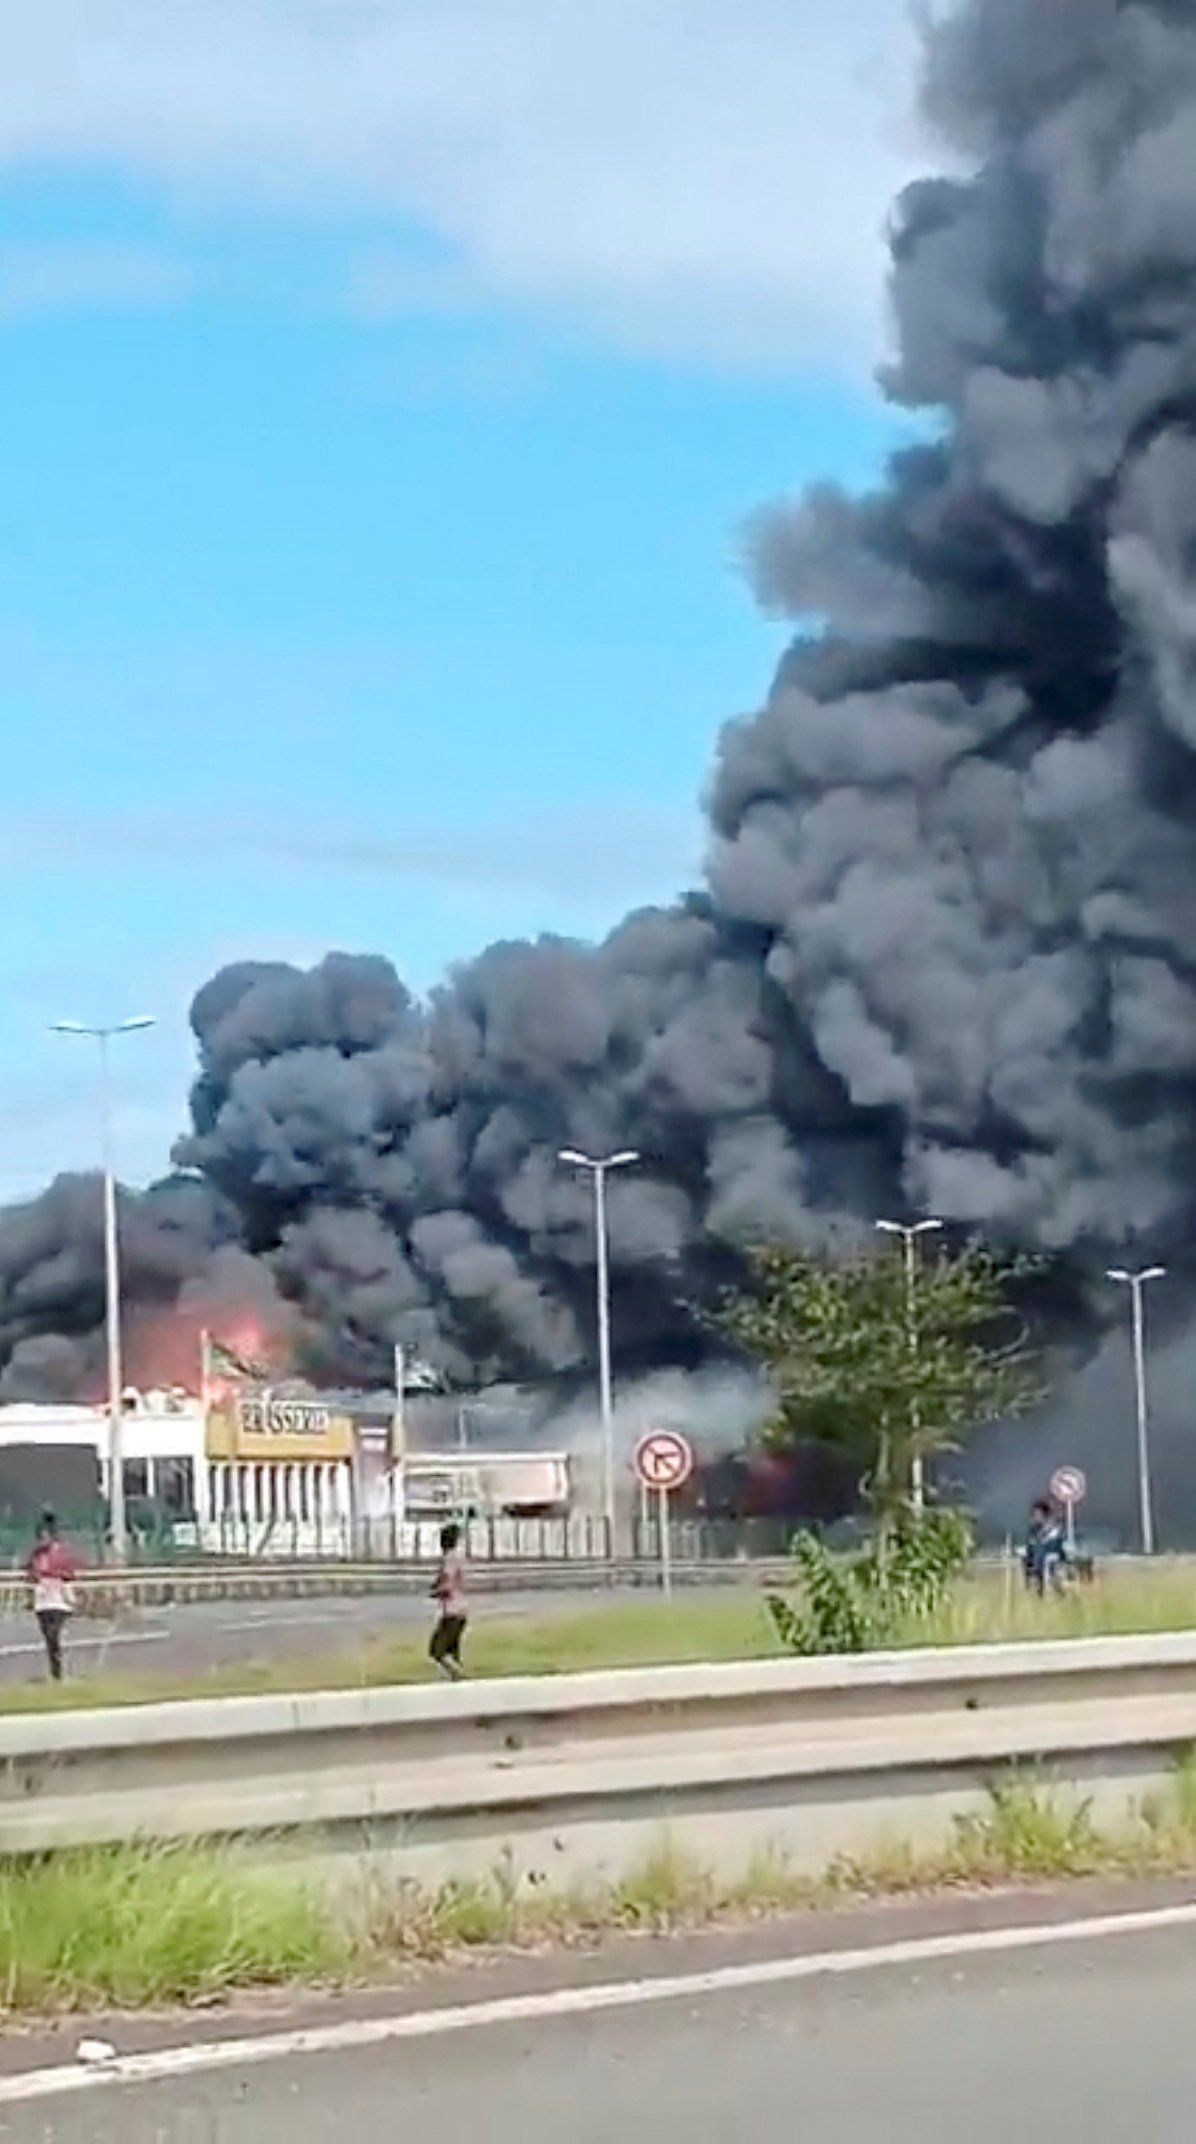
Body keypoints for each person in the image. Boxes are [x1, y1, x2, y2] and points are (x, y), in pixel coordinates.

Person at [25, 1510, 77, 1682]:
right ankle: (56, 1672)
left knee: (53, 1633)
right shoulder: (36, 1556)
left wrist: (70, 1597)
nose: (42, 1540)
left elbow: (67, 1576)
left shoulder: (60, 1553)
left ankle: (58, 1671)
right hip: (42, 1601)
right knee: (49, 1636)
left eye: (45, 1536)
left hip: (58, 1600)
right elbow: (31, 1577)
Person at [429, 1520, 468, 1679]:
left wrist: (436, 1592)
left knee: (437, 1650)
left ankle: (461, 1676)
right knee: (453, 1652)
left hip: (452, 1611)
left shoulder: (449, 1559)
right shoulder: (458, 1557)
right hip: (461, 1609)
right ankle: (458, 1685)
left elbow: (447, 1584)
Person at [1023, 1498, 1068, 1598]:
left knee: (1054, 1584)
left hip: (1052, 1563)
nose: (1035, 1518)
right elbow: (1029, 1548)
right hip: (1038, 1567)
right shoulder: (1033, 1531)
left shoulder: (1054, 1530)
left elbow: (1056, 1546)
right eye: (1034, 1515)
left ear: (1045, 1515)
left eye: (1038, 1515)